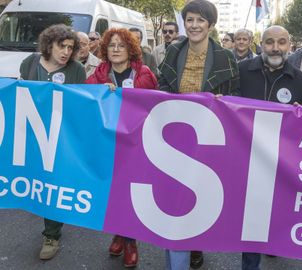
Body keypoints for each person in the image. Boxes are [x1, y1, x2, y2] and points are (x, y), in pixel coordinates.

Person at [157, 0, 239, 268]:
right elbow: (161, 89)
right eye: (190, 20)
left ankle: (194, 242)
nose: (194, 25)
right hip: (175, 134)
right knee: (174, 198)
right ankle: (180, 248)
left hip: (208, 137)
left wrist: (222, 101)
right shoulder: (173, 51)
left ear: (211, 25)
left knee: (200, 196)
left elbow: (235, 98)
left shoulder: (226, 57)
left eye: (200, 20)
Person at [238, 26, 302, 270]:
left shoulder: (299, 80)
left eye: (281, 42)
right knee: (248, 220)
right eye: (270, 42)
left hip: (280, 163)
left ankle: (269, 245)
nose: (276, 48)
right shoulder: (241, 72)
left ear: (290, 45)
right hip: (244, 158)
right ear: (260, 44)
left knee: (272, 216)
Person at [86, 28, 157, 268]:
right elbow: (85, 100)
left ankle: (130, 241)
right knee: (112, 192)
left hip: (135, 144)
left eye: (121, 45)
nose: (115, 49)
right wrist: (100, 93)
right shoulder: (98, 73)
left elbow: (153, 107)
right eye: (111, 45)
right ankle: (119, 232)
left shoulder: (144, 74)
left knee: (129, 193)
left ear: (131, 49)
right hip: (107, 143)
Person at [19, 24, 86, 260]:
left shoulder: (76, 70)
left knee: (53, 183)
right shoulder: (30, 62)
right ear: (49, 44)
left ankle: (52, 234)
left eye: (70, 47)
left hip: (60, 138)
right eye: (62, 46)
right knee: (34, 180)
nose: (66, 51)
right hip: (29, 134)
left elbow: (81, 102)